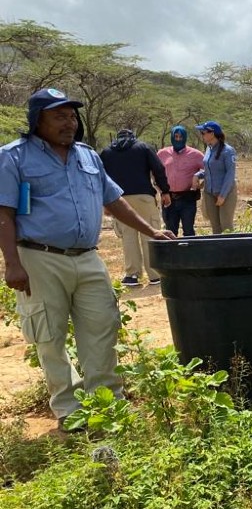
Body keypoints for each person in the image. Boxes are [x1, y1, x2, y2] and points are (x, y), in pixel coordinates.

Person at [0, 88, 176, 428]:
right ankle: (69, 409)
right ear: (38, 122)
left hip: (88, 257)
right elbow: (4, 213)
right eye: (58, 116)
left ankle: (106, 404)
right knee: (48, 334)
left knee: (102, 325)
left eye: (71, 115)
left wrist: (150, 230)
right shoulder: (13, 157)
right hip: (39, 257)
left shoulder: (88, 156)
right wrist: (12, 263)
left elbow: (113, 200)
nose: (69, 123)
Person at [99, 128, 171, 286]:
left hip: (119, 199)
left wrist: (106, 201)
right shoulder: (143, 147)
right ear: (133, 137)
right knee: (150, 233)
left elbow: (101, 177)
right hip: (143, 196)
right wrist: (165, 190)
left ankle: (132, 275)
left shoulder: (106, 152)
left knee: (128, 236)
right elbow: (158, 169)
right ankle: (155, 274)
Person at [158, 125, 205, 237]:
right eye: (176, 136)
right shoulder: (162, 154)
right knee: (170, 232)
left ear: (185, 137)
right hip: (169, 199)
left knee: (188, 231)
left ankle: (189, 254)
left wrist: (200, 180)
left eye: (181, 137)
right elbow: (154, 171)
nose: (178, 139)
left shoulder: (196, 154)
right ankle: (172, 254)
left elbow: (210, 170)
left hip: (188, 199)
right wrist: (158, 187)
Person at [195, 120, 237, 233]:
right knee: (215, 227)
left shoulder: (228, 151)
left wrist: (222, 195)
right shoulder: (209, 149)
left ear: (212, 134)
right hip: (209, 193)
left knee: (226, 227)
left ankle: (230, 250)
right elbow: (209, 170)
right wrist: (197, 175)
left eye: (203, 133)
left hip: (225, 193)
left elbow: (230, 174)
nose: (202, 135)